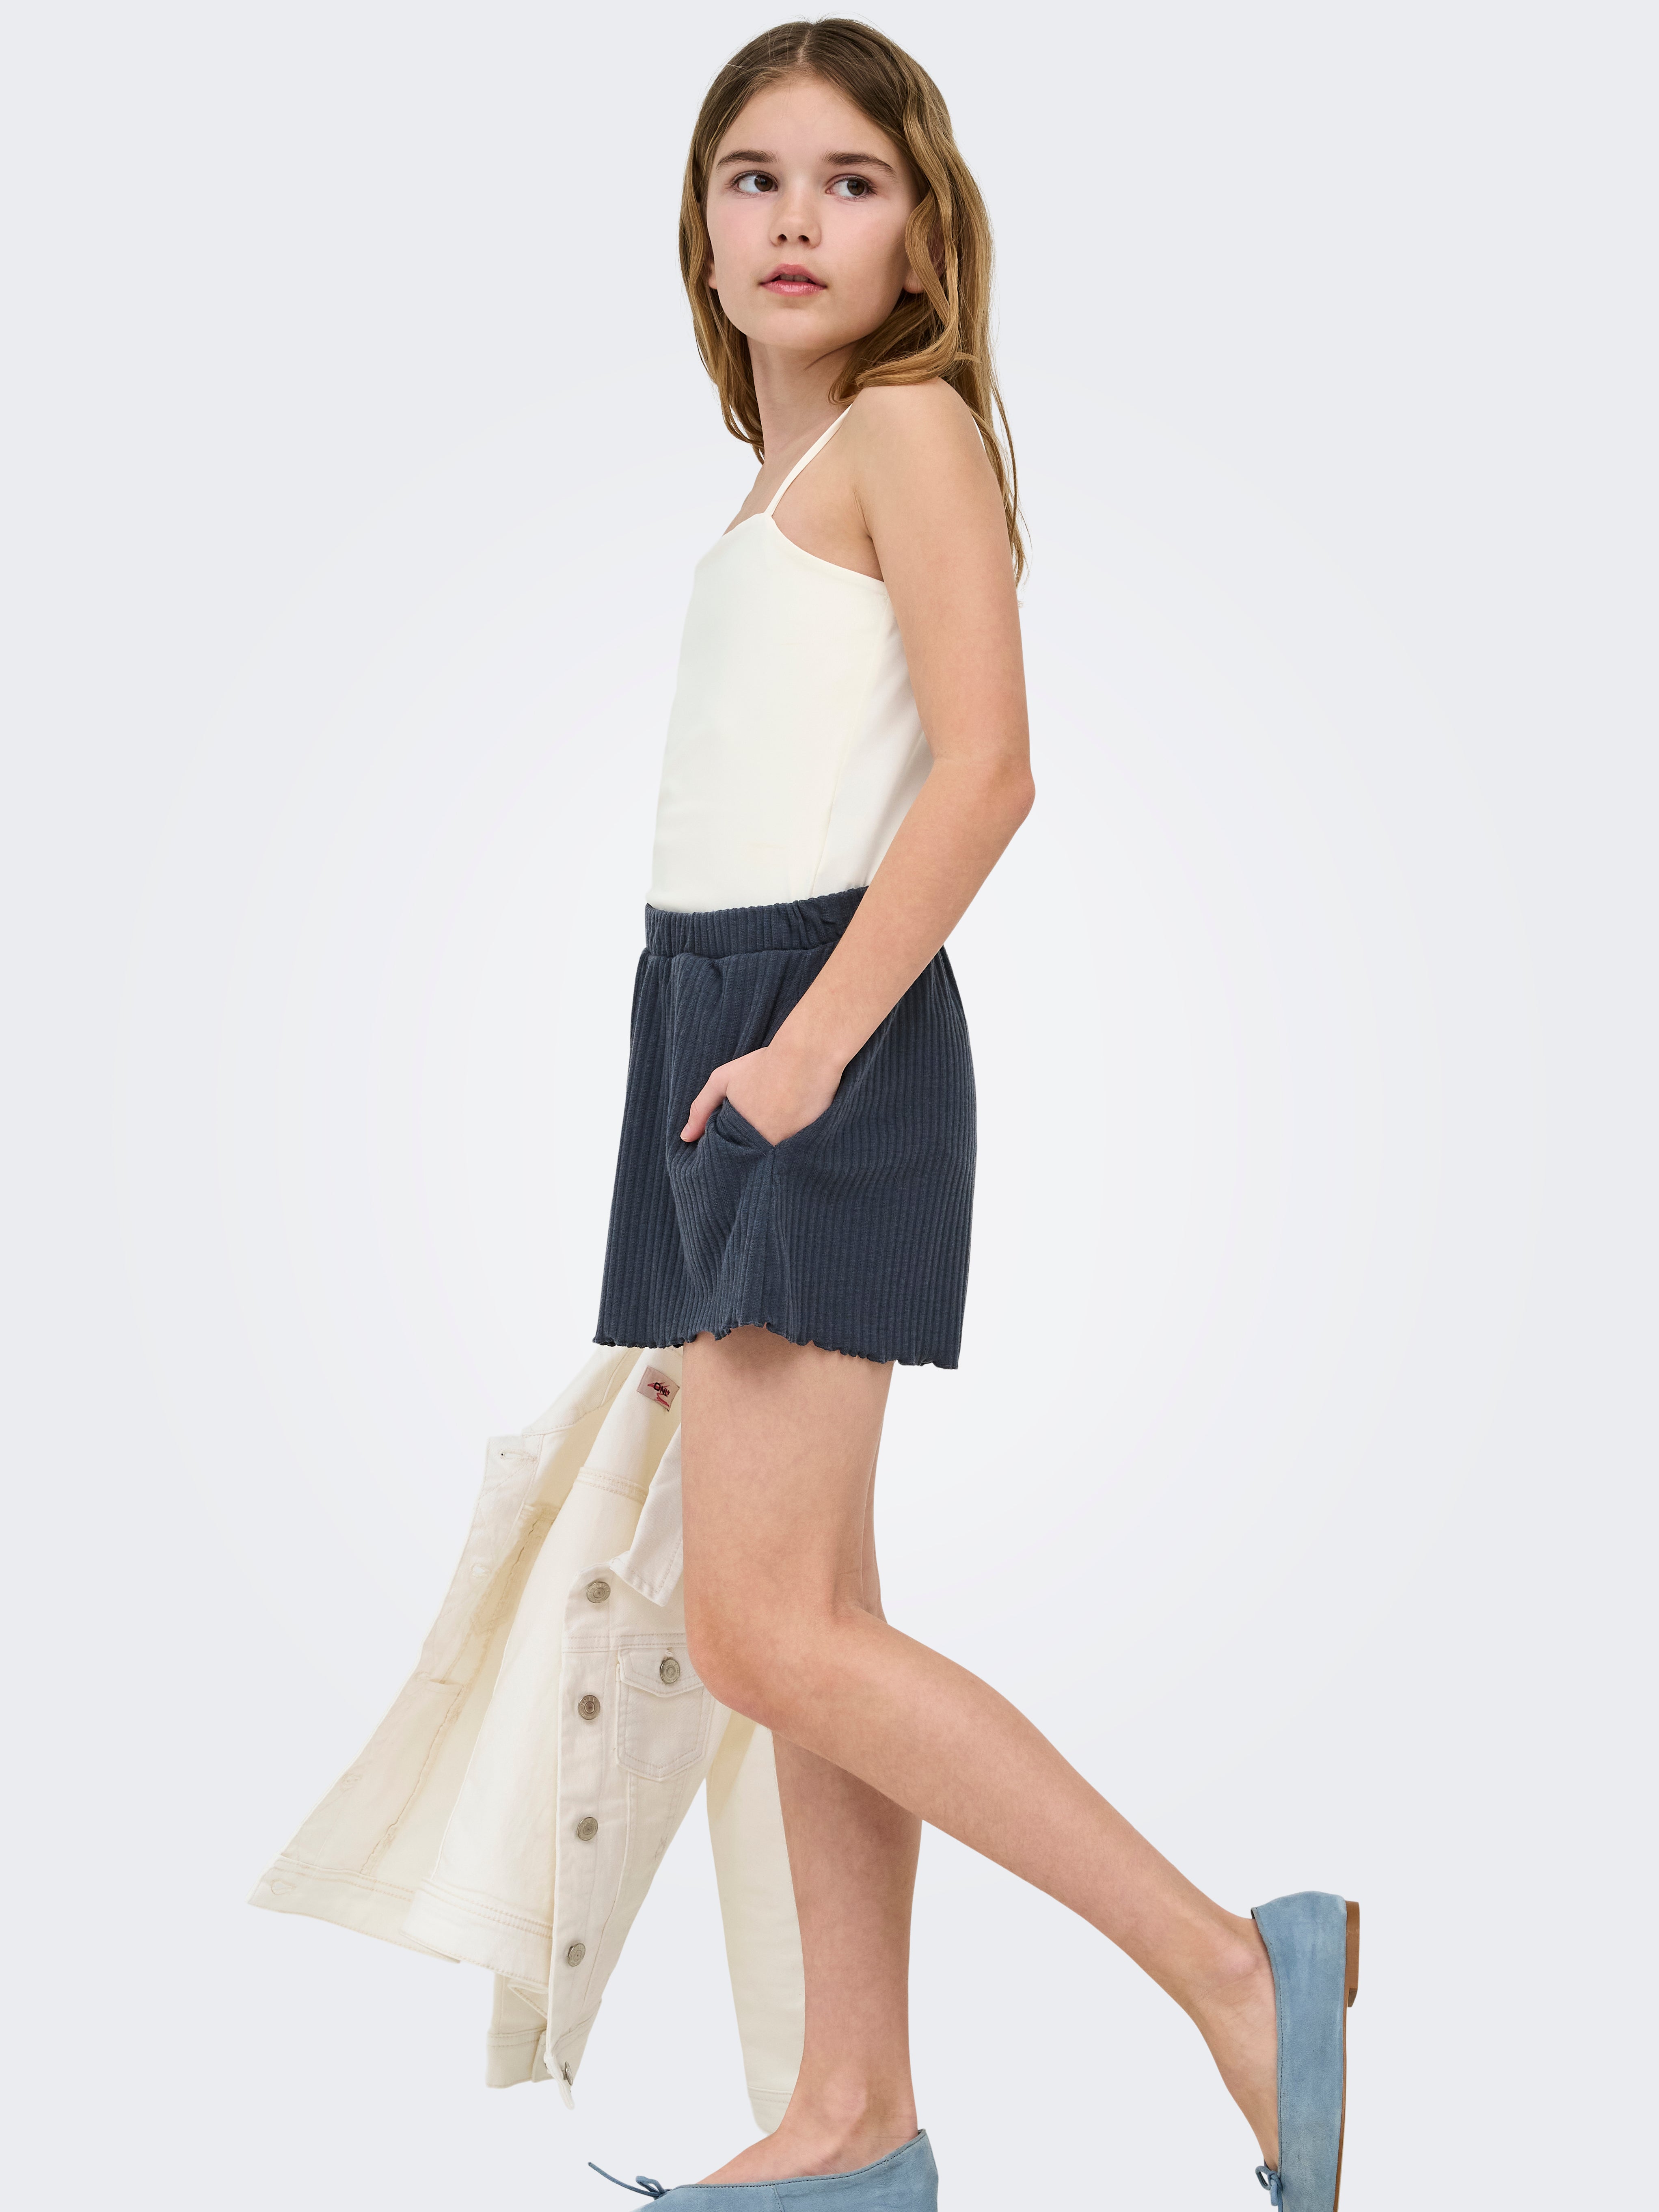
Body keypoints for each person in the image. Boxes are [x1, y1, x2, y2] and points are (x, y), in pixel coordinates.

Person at [590, 20, 1357, 2212]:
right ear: (699, 233)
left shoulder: (908, 430)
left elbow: (992, 765)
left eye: (849, 181)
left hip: (806, 1027)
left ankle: (1235, 1967)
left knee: (765, 1629)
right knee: (811, 1614)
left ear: (922, 233)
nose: (793, 219)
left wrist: (811, 1047)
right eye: (752, 179)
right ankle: (856, 2116)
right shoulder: (777, 482)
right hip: (719, 1020)